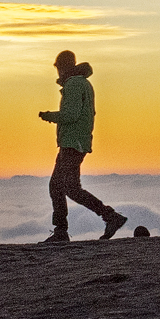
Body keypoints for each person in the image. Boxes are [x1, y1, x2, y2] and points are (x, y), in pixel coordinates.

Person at [37, 50, 127, 243]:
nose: (58, 73)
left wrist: (49, 116)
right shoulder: (83, 83)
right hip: (76, 142)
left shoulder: (75, 84)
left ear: (64, 67)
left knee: (68, 187)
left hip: (73, 143)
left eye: (59, 68)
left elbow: (70, 115)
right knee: (59, 186)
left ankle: (109, 216)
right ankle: (63, 229)